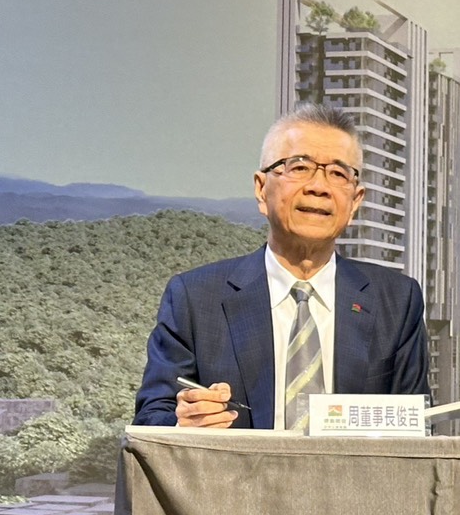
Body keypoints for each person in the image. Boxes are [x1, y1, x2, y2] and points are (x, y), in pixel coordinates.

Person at [134, 103, 428, 429]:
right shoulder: (194, 299)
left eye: (338, 174)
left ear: (355, 200)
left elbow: (417, 428)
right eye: (299, 167)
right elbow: (151, 418)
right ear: (261, 189)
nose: (319, 187)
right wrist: (183, 424)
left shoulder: (396, 301)